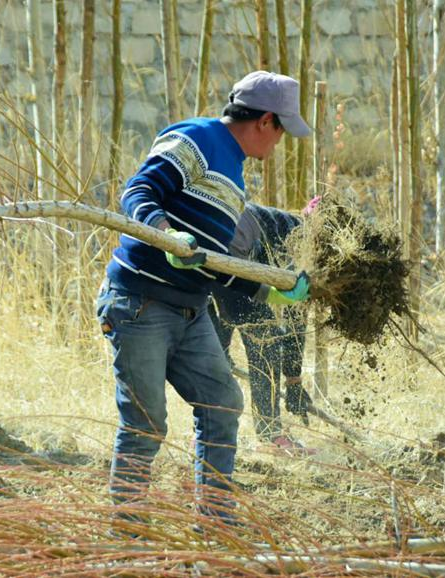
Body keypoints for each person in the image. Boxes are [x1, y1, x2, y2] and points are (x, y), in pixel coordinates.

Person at [96, 71, 312, 524]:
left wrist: (270, 292)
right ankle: (128, 532)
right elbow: (137, 191)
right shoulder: (196, 139)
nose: (279, 144)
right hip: (140, 303)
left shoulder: (234, 177)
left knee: (222, 404)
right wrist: (166, 235)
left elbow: (211, 264)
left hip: (190, 310)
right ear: (265, 121)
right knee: (146, 424)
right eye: (281, 132)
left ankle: (215, 520)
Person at [209, 201, 316, 455]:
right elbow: (294, 317)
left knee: (212, 350)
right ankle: (271, 436)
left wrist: (292, 381)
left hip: (205, 258)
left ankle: (208, 434)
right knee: (267, 341)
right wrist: (293, 381)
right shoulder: (300, 241)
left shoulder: (279, 222)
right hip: (227, 260)